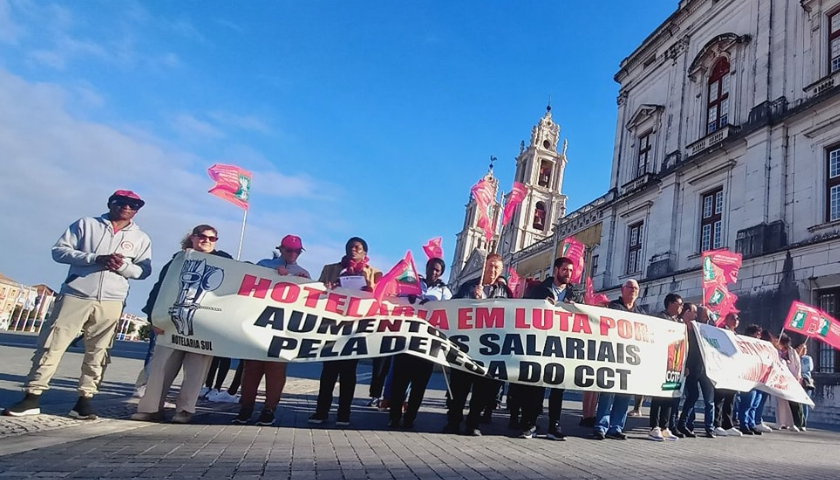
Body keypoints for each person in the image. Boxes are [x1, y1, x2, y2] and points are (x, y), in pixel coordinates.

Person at [3, 190, 152, 419]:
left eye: (134, 204)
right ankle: (33, 395)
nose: (127, 207)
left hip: (112, 299)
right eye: (121, 202)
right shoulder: (86, 225)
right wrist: (94, 258)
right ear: (111, 203)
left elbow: (144, 270)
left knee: (99, 351)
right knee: (52, 344)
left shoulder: (141, 238)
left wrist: (122, 267)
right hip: (77, 293)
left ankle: (85, 399)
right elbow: (59, 251)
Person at [131, 225, 231, 424]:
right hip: (171, 321)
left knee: (196, 370)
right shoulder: (177, 260)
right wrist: (153, 318)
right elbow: (159, 289)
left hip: (203, 325)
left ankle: (185, 409)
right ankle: (151, 408)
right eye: (202, 236)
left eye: (212, 238)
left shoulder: (225, 261)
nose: (207, 240)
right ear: (193, 238)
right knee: (161, 367)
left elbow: (244, 274)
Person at [233, 235, 310, 426]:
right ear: (281, 249)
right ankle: (246, 407)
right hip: (259, 323)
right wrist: (273, 273)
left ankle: (269, 409)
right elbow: (249, 283)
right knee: (252, 368)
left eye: (297, 251)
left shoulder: (303, 273)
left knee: (276, 369)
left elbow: (308, 303)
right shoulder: (265, 264)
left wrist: (303, 282)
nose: (293, 254)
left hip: (282, 327)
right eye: (289, 250)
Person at [309, 237, 382, 426]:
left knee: (349, 373)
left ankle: (344, 413)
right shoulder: (330, 269)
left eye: (357, 248)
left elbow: (382, 298)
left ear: (365, 252)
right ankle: (321, 411)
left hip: (355, 328)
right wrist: (328, 288)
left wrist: (370, 291)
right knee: (328, 372)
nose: (353, 250)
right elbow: (316, 293)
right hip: (333, 327)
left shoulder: (375, 273)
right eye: (350, 247)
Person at [444, 253, 512, 436]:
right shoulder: (469, 285)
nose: (493, 270)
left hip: (489, 349)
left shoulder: (505, 292)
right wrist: (473, 299)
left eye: (497, 267)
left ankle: (473, 423)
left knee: (483, 390)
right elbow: (453, 307)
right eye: (490, 266)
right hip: (466, 346)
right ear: (484, 267)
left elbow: (511, 316)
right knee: (459, 388)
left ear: (501, 270)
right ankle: (453, 420)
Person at [517, 257, 581, 440]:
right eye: (565, 270)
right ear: (556, 271)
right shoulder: (538, 289)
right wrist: (540, 304)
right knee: (536, 385)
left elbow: (583, 315)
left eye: (570, 270)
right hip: (540, 342)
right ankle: (530, 423)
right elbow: (525, 309)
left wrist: (576, 307)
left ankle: (554, 425)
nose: (568, 274)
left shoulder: (574, 294)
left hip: (563, 344)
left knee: (558, 387)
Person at [388, 257, 452, 429]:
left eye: (437, 270)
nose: (433, 272)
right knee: (399, 382)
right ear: (427, 267)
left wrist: (433, 305)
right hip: (407, 340)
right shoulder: (413, 283)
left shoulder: (445, 291)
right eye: (431, 268)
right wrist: (407, 298)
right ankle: (394, 415)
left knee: (419, 385)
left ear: (441, 273)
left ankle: (410, 417)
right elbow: (396, 298)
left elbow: (450, 310)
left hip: (428, 343)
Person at [593, 279, 641, 440]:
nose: (632, 290)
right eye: (629, 287)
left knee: (625, 395)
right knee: (608, 393)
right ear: (622, 290)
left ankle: (616, 427)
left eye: (635, 288)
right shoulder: (612, 308)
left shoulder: (641, 313)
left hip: (630, 359)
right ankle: (601, 426)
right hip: (612, 357)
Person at [677, 302, 717, 438]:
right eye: (704, 316)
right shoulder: (691, 329)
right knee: (692, 397)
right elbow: (689, 349)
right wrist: (687, 365)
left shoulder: (709, 329)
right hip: (693, 368)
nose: (707, 319)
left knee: (709, 401)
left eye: (708, 317)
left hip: (707, 369)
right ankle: (686, 424)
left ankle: (709, 428)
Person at [648, 293, 683, 441]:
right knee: (659, 396)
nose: (681, 307)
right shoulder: (660, 319)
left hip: (674, 363)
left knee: (670, 395)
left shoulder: (679, 322)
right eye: (679, 304)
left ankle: (665, 426)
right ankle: (654, 427)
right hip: (661, 361)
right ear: (670, 303)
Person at [712, 312, 742, 437]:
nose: (736, 321)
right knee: (719, 398)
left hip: (733, 371)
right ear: (727, 319)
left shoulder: (737, 335)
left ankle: (728, 424)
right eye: (733, 318)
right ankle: (716, 424)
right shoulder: (721, 332)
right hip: (722, 369)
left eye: (737, 319)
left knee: (731, 398)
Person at [736, 324, 766, 435]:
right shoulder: (744, 344)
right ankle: (744, 424)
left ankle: (751, 423)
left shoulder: (760, 346)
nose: (759, 337)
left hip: (759, 377)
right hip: (749, 377)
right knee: (747, 402)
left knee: (755, 403)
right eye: (757, 334)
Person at [776, 334, 804, 432]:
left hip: (793, 379)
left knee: (793, 402)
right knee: (781, 402)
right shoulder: (777, 351)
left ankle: (793, 423)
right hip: (781, 379)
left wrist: (798, 377)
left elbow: (798, 365)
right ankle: (781, 422)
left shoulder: (792, 352)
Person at [798, 343, 814, 431]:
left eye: (804, 349)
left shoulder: (808, 358)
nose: (802, 350)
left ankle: (803, 423)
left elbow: (808, 368)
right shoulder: (795, 357)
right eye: (801, 348)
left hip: (805, 381)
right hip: (797, 381)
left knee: (804, 403)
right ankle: (797, 421)